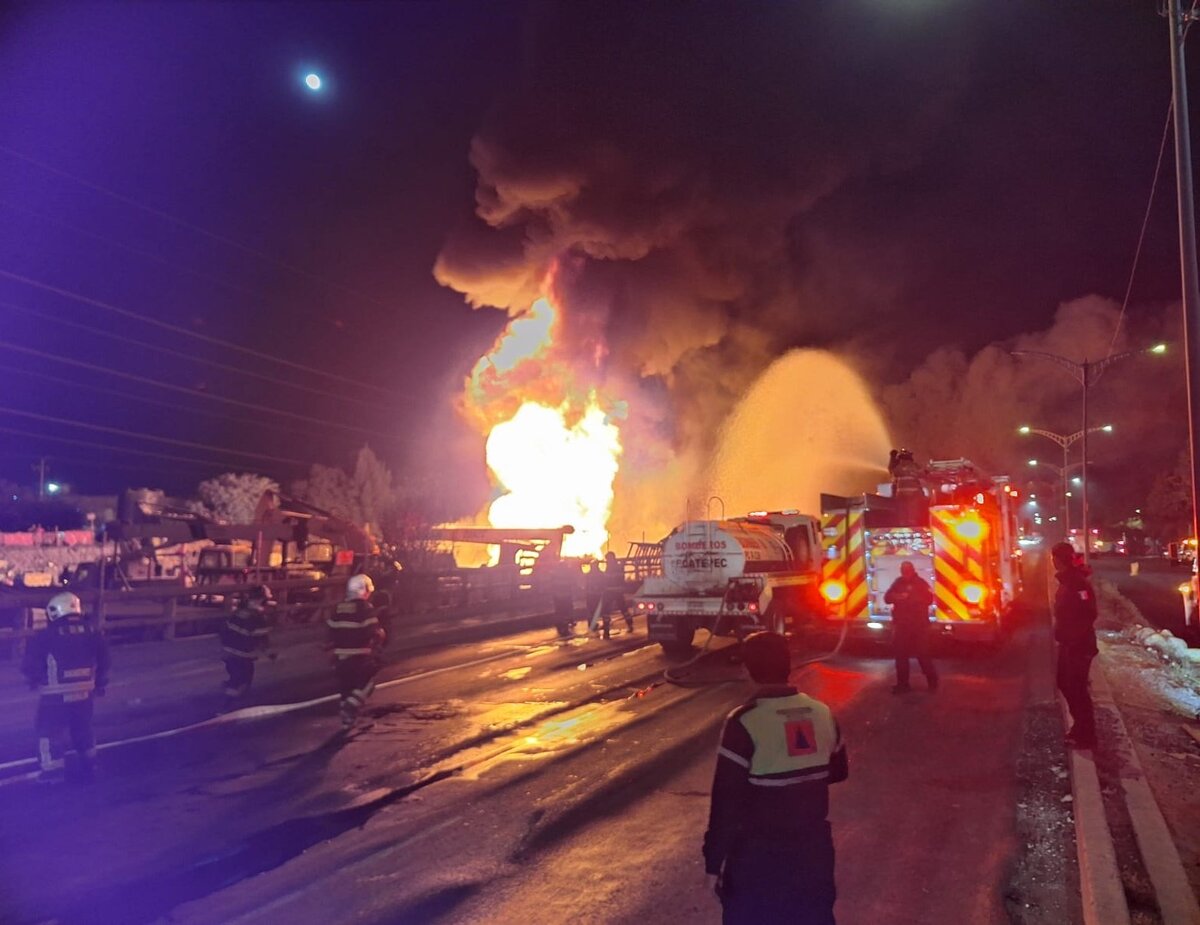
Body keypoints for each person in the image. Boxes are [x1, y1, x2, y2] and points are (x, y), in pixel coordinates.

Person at [703, 631, 848, 925]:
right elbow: (839, 770)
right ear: (789, 665)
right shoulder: (822, 713)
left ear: (747, 670)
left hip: (758, 857)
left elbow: (726, 801)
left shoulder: (744, 722)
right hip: (813, 852)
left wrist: (713, 862)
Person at [21, 592, 110, 782]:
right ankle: (90, 765)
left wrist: (35, 679)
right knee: (82, 728)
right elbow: (105, 660)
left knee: (49, 731)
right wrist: (100, 683)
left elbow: (29, 664)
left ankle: (52, 772)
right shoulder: (93, 632)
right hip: (85, 692)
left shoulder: (46, 635)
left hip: (55, 694)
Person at [1051, 541, 1099, 749]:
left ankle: (1086, 734)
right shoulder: (1067, 581)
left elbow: (1089, 613)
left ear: (1059, 560)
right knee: (1065, 683)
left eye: (1054, 557)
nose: (1052, 561)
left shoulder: (1077, 583)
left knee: (1077, 688)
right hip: (1069, 644)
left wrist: (1074, 637)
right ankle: (1080, 728)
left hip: (1079, 645)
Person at [327, 574, 386, 729]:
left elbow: (330, 630)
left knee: (346, 688)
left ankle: (347, 721)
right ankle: (351, 707)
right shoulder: (365, 608)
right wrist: (380, 636)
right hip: (360, 655)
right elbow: (372, 631)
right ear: (363, 590)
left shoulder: (338, 608)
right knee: (367, 684)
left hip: (340, 657)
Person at [883, 561, 939, 693]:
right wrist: (897, 597)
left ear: (913, 570)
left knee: (923, 654)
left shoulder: (920, 583)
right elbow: (887, 598)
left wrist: (909, 598)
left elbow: (929, 599)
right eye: (903, 571)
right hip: (902, 625)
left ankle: (932, 682)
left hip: (918, 625)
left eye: (907, 571)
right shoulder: (898, 582)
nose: (905, 573)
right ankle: (902, 685)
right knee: (901, 656)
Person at [220, 585, 273, 699]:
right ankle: (231, 707)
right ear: (262, 599)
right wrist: (270, 653)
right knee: (243, 682)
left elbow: (226, 631)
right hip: (243, 656)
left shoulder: (238, 612)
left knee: (234, 680)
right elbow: (262, 638)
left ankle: (225, 705)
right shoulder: (258, 617)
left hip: (229, 653)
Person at [603, 551, 636, 634]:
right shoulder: (618, 567)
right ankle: (630, 625)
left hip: (611, 592)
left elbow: (607, 580)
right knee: (623, 609)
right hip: (617, 592)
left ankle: (606, 628)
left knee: (606, 611)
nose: (606, 560)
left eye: (607, 559)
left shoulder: (610, 568)